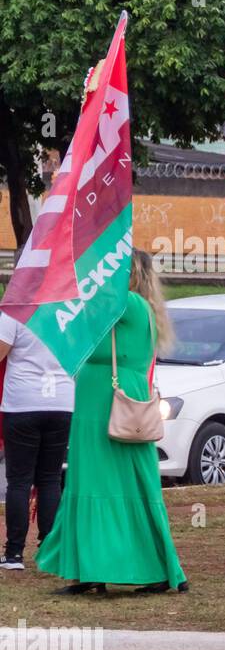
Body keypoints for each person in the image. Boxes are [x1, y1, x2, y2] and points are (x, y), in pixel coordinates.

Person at [37, 250, 186, 595]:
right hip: (102, 400)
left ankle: (125, 570)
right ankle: (93, 570)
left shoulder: (129, 304)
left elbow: (87, 294)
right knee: (96, 482)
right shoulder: (136, 306)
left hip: (110, 400)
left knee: (109, 484)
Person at [0, 312, 74, 570]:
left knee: (19, 481)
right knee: (50, 479)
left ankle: (14, 554)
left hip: (22, 403)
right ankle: (49, 548)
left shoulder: (16, 312)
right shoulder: (70, 309)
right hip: (62, 401)